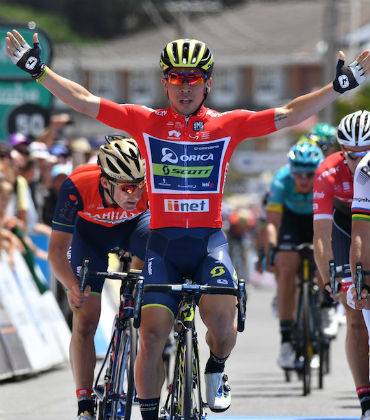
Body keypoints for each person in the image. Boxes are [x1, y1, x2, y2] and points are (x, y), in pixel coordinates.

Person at [5, 30, 370, 419]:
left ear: (207, 83)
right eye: (176, 78)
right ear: (165, 83)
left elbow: (288, 113)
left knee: (222, 329)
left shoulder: (227, 125)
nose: (184, 87)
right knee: (150, 335)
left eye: (193, 78)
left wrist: (339, 86)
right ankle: (148, 413)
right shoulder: (145, 122)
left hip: (207, 243)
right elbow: (83, 100)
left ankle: (215, 367)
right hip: (162, 245)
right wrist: (37, 69)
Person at [48, 135, 150, 420]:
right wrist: (71, 286)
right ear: (106, 182)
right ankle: (84, 404)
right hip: (90, 239)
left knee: (156, 245)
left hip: (134, 230)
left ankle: (139, 308)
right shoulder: (76, 186)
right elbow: (56, 250)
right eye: (127, 186)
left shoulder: (147, 187)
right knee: (85, 319)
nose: (135, 193)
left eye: (139, 185)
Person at [313, 110, 370, 420]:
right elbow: (321, 235)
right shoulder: (327, 172)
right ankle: (366, 400)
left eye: (365, 153)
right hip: (346, 229)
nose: (357, 160)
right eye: (351, 155)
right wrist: (328, 279)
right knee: (356, 316)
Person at [264, 141, 324, 369]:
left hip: (318, 219)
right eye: (299, 173)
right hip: (291, 221)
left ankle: (324, 306)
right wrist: (271, 249)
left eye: (310, 174)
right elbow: (272, 223)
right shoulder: (281, 180)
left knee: (323, 259)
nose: (304, 179)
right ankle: (287, 340)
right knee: (287, 268)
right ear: (291, 170)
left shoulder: (324, 179)